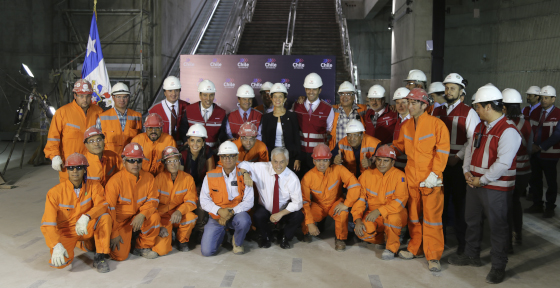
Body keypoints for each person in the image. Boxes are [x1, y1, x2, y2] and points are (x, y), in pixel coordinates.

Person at [449, 85, 521, 284]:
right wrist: (466, 170)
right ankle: (472, 255)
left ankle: (498, 266)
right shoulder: (481, 126)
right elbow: (470, 149)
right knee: (471, 220)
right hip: (474, 183)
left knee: (498, 227)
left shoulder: (508, 131)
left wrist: (482, 179)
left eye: (478, 107)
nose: (476, 111)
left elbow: (503, 163)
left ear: (489, 106)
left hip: (495, 187)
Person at [392, 88, 450, 272]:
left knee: (432, 219)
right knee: (414, 216)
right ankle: (415, 248)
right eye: (409, 102)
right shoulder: (407, 125)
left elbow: (442, 152)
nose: (409, 106)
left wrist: (435, 174)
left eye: (414, 102)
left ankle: (433, 256)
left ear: (425, 105)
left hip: (430, 179)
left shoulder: (436, 125)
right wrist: (382, 150)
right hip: (412, 177)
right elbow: (400, 146)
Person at [432, 72, 480, 255]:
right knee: (439, 204)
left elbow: (472, 139)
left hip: (458, 166)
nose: (449, 91)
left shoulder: (469, 112)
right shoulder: (437, 111)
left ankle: (462, 244)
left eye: (453, 88)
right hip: (440, 165)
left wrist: (458, 157)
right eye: (447, 88)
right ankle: (439, 240)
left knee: (461, 206)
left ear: (461, 91)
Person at [40, 153, 111, 272]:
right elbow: (48, 223)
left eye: (79, 168)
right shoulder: (55, 193)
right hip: (66, 232)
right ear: (67, 171)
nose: (75, 171)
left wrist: (87, 216)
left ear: (84, 170)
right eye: (71, 168)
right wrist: (55, 245)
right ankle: (81, 244)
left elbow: (103, 205)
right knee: (60, 263)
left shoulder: (94, 186)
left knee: (105, 217)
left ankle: (100, 256)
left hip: (85, 226)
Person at [238, 147, 304, 249]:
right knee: (258, 215)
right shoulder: (262, 168)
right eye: (275, 162)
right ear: (271, 160)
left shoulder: (293, 178)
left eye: (282, 162)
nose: (278, 166)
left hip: (283, 210)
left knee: (298, 215)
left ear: (287, 161)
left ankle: (284, 237)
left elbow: (298, 203)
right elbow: (243, 164)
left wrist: (280, 214)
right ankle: (267, 236)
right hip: (265, 208)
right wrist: (246, 174)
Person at [105, 143, 161, 261]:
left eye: (138, 160)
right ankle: (129, 238)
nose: (135, 164)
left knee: (154, 217)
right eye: (131, 160)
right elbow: (109, 210)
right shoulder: (115, 181)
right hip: (119, 222)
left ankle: (142, 247)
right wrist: (114, 233)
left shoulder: (149, 178)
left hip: (137, 217)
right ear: (124, 162)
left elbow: (153, 200)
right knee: (120, 256)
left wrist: (142, 215)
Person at [300, 144, 361, 251]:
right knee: (305, 217)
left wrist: (346, 204)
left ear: (330, 160)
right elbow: (304, 202)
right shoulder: (307, 178)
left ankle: (340, 239)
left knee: (343, 213)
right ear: (313, 161)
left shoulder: (339, 169)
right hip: (318, 205)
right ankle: (308, 232)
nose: (322, 164)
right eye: (318, 160)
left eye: (325, 160)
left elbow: (355, 185)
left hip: (335, 203)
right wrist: (309, 223)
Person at [353, 145, 408, 260]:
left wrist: (379, 211)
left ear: (392, 163)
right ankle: (385, 238)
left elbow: (399, 201)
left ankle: (391, 248)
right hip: (374, 214)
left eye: (386, 161)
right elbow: (360, 200)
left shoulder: (400, 177)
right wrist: (357, 219)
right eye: (379, 160)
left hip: (395, 213)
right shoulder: (366, 175)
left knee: (393, 219)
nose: (381, 164)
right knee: (362, 231)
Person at [199, 142, 254, 256]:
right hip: (217, 216)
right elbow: (204, 200)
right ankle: (222, 234)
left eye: (231, 156)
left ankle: (237, 242)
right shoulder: (210, 176)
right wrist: (219, 211)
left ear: (237, 157)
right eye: (224, 156)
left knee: (244, 221)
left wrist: (230, 212)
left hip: (236, 214)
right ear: (220, 158)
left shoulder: (245, 176)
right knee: (207, 252)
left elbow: (249, 201)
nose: (228, 159)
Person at [45, 79, 103, 183]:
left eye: (87, 96)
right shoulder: (62, 113)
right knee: (70, 196)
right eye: (81, 96)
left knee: (93, 193)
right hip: (71, 165)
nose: (84, 100)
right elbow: (53, 138)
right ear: (75, 95)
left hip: (93, 164)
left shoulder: (98, 112)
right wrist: (54, 156)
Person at [152, 147, 198, 255]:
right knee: (162, 251)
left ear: (179, 162)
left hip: (178, 215)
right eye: (169, 161)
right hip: (163, 217)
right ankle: (168, 234)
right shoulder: (158, 179)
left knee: (191, 217)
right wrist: (158, 226)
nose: (173, 164)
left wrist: (179, 211)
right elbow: (152, 205)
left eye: (175, 160)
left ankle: (181, 240)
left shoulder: (188, 179)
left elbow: (191, 201)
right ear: (164, 163)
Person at [502, 88, 532, 247]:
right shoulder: (526, 123)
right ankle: (518, 234)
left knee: (506, 206)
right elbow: (529, 149)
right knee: (516, 203)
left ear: (504, 106)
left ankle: (507, 242)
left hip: (509, 172)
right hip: (524, 171)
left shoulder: (503, 124)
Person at [526, 85, 560, 218]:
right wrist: (532, 146)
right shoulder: (534, 112)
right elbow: (529, 131)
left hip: (550, 154)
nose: (543, 100)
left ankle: (550, 206)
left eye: (547, 98)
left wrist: (539, 146)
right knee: (535, 180)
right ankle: (537, 204)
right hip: (535, 153)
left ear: (553, 99)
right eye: (542, 97)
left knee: (551, 182)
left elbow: (557, 135)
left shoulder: (558, 114)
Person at [293, 72, 334, 177]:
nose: (311, 92)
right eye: (308, 89)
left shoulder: (328, 109)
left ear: (320, 90)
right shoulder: (296, 106)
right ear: (305, 89)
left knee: (317, 183)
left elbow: (329, 130)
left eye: (314, 89)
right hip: (300, 154)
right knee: (300, 184)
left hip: (318, 156)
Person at [180, 124, 215, 242]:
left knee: (202, 197)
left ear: (203, 143)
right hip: (185, 186)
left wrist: (203, 190)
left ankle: (199, 229)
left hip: (201, 185)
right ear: (188, 142)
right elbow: (180, 178)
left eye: (199, 141)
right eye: (193, 140)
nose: (195, 144)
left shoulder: (208, 152)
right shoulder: (182, 154)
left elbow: (210, 175)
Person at [261, 83, 301, 171]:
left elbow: (296, 138)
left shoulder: (292, 116)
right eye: (275, 96)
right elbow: (264, 140)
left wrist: (298, 158)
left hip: (290, 157)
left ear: (285, 98)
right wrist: (265, 158)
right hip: (272, 157)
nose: (277, 99)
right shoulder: (266, 117)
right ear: (271, 98)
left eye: (280, 96)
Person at [95, 82, 143, 155]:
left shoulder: (137, 117)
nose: (122, 100)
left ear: (128, 97)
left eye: (125, 97)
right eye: (119, 97)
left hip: (131, 160)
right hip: (110, 160)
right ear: (113, 97)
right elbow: (97, 142)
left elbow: (144, 139)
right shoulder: (102, 118)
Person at [181, 80, 227, 148]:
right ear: (200, 95)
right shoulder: (189, 110)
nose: (208, 98)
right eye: (205, 95)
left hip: (213, 151)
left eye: (211, 95)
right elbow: (183, 128)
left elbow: (222, 132)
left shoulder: (221, 113)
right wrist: (185, 141)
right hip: (193, 150)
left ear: (214, 95)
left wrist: (226, 141)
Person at [328, 81, 368, 149]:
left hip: (357, 151)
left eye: (348, 94)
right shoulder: (333, 110)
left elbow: (378, 107)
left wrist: (391, 106)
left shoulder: (362, 109)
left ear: (354, 96)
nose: (344, 97)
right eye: (342, 94)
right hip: (338, 151)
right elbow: (318, 106)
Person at [148, 76, 189, 140]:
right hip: (162, 145)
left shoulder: (187, 107)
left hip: (182, 146)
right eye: (170, 91)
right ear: (164, 93)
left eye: (176, 90)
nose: (173, 94)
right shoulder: (154, 110)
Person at [392, 88, 411, 170]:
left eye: (403, 102)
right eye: (397, 103)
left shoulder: (413, 121)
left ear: (409, 103)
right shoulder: (399, 119)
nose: (400, 106)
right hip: (396, 162)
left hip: (407, 164)